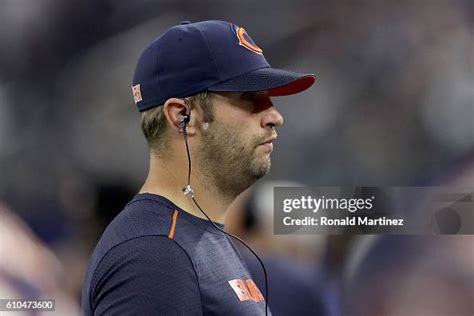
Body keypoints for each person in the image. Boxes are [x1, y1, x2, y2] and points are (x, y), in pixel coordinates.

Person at [81, 20, 315, 315]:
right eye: (248, 97)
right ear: (183, 117)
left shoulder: (193, 236)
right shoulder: (153, 255)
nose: (274, 116)